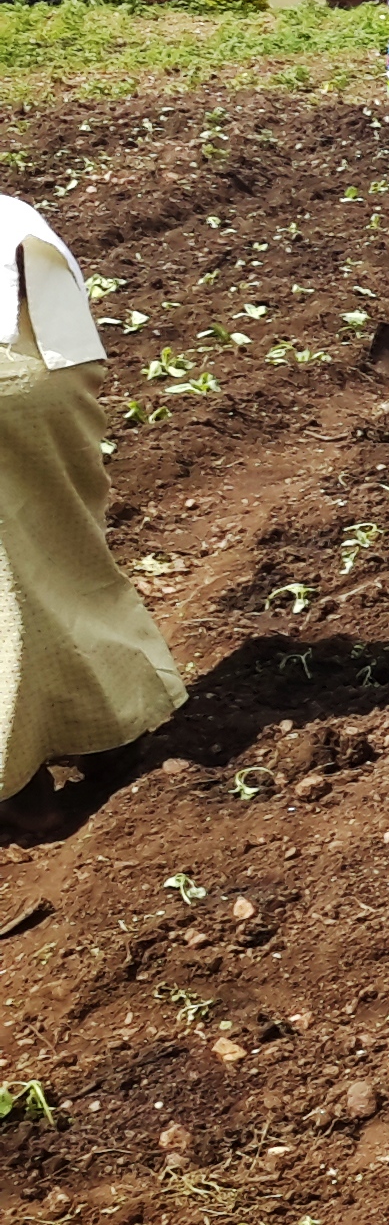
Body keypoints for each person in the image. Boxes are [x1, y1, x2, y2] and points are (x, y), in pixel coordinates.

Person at [0, 196, 187, 803]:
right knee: (66, 547)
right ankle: (110, 733)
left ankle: (19, 793)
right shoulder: (10, 211)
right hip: (47, 372)